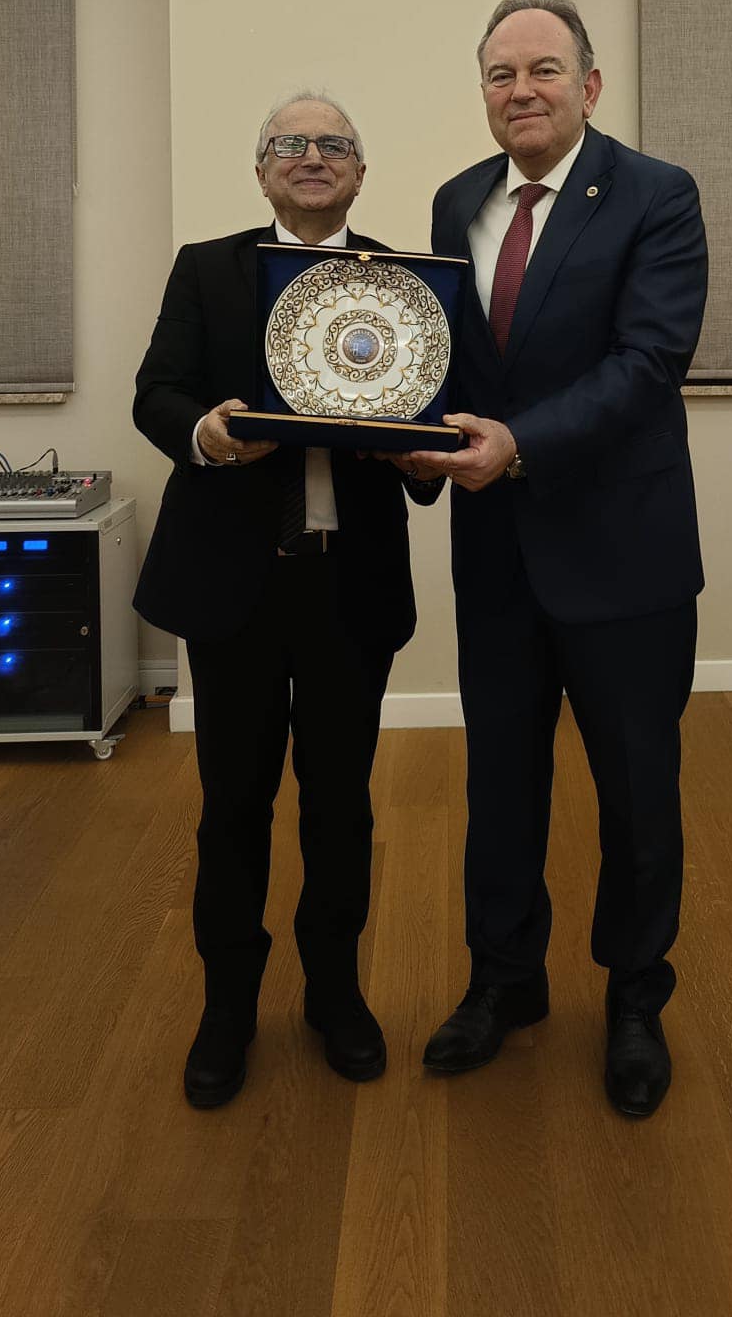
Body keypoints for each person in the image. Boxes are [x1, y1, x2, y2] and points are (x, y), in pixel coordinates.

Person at [408, 0, 708, 1119]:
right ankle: (505, 980)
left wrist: (518, 445)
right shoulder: (455, 202)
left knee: (636, 791)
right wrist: (405, 435)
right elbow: (447, 362)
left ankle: (634, 997)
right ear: (483, 93)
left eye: (543, 69)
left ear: (589, 85)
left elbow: (649, 362)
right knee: (500, 784)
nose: (520, 90)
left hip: (622, 553)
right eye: (501, 74)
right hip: (494, 554)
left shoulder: (656, 195)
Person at [133, 93, 439, 1109]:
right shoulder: (204, 268)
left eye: (334, 144)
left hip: (351, 588)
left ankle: (334, 996)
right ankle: (228, 1006)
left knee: (341, 804)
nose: (313, 156)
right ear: (262, 169)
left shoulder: (404, 283)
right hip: (235, 587)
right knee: (233, 806)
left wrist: (424, 449)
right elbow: (156, 393)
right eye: (291, 144)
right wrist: (210, 434)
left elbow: (433, 416)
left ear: (361, 171)